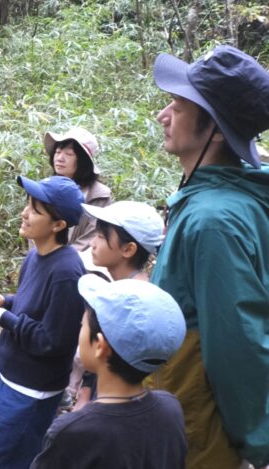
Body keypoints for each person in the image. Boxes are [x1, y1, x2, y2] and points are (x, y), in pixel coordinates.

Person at [148, 45, 269, 468]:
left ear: (215, 130)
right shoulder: (214, 200)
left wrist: (257, 446)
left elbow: (236, 346)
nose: (164, 114)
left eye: (179, 106)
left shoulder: (213, 220)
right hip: (187, 417)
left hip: (200, 432)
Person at [0, 175, 86, 469]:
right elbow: (32, 304)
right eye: (27, 204)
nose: (24, 212)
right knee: (15, 457)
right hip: (7, 371)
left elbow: (54, 341)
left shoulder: (67, 273)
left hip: (31, 388)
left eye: (35, 209)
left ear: (58, 225)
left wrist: (5, 319)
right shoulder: (36, 255)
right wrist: (5, 301)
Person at [31, 275, 187, 468]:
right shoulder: (170, 410)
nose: (79, 330)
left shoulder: (72, 432)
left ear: (100, 346)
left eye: (82, 325)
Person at [71, 201, 165, 411]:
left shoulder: (131, 306)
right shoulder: (119, 290)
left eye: (102, 237)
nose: (93, 243)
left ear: (128, 249)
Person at [44, 128, 112, 250]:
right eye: (58, 152)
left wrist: (62, 259)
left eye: (69, 154)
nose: (60, 158)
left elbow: (92, 236)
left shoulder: (99, 195)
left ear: (83, 161)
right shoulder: (46, 187)